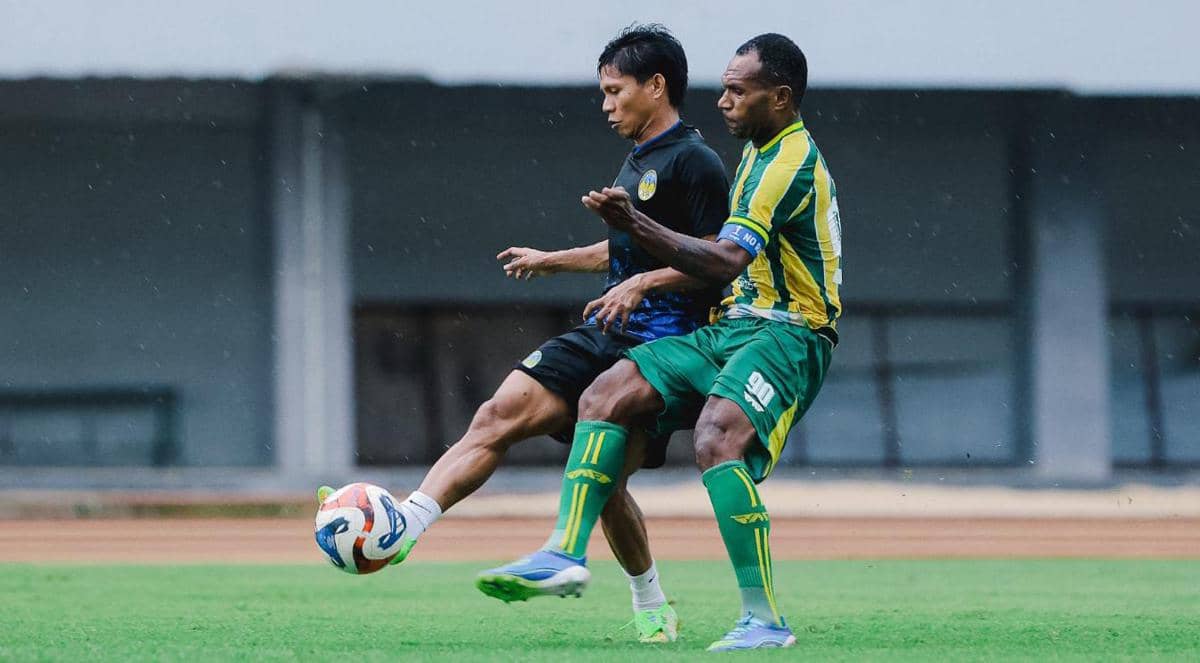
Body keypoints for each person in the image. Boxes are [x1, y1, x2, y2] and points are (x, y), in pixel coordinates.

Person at [322, 24, 729, 644]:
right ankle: (405, 525)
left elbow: (712, 258)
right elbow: (626, 247)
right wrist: (552, 258)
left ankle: (649, 600)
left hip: (660, 349)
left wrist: (644, 285)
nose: (606, 104)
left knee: (607, 480)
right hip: (605, 329)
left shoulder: (696, 162)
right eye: (603, 92)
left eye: (616, 91)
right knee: (498, 412)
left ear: (656, 86)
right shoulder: (638, 156)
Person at [479, 34, 841, 652]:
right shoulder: (757, 152)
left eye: (738, 90)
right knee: (605, 393)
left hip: (791, 333)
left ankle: (763, 619)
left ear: (779, 98)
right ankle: (563, 553)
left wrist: (636, 231)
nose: (723, 101)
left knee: (716, 438)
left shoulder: (788, 162)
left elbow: (724, 260)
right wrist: (593, 253)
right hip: (735, 326)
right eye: (724, 87)